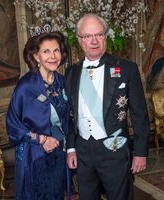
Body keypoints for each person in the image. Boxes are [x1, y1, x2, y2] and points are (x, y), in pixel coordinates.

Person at [65, 13, 150, 200]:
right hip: (83, 153)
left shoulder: (127, 69)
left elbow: (139, 115)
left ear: (105, 36)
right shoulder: (71, 73)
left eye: (99, 34)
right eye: (88, 36)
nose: (94, 41)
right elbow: (69, 115)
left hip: (115, 151)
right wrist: (71, 148)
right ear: (80, 40)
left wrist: (140, 152)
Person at [6, 30, 70, 200]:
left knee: (56, 193)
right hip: (34, 156)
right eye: (46, 51)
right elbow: (13, 126)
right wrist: (41, 139)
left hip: (58, 152)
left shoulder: (61, 82)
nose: (53, 56)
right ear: (36, 57)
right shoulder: (26, 87)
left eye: (56, 50)